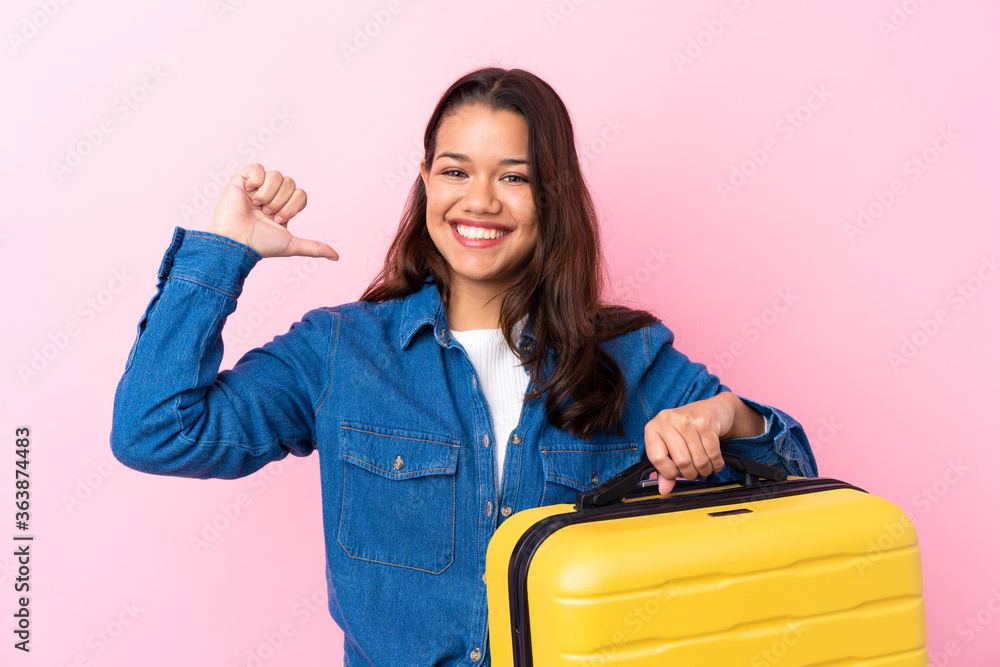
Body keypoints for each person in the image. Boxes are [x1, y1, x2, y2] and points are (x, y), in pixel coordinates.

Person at [111, 67, 817, 666]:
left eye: (513, 176)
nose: (479, 200)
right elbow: (154, 430)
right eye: (456, 171)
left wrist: (726, 415)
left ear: (554, 194)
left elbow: (798, 482)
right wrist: (220, 254)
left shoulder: (630, 357)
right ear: (425, 181)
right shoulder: (339, 352)